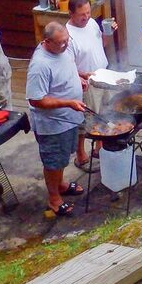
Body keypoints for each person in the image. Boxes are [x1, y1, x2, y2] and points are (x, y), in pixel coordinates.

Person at [26, 22, 87, 218]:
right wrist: (69, 103)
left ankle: (61, 185)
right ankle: (54, 199)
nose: (66, 45)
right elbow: (36, 100)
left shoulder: (62, 48)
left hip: (69, 118)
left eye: (67, 40)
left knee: (63, 156)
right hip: (53, 124)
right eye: (61, 43)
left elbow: (66, 67)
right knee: (53, 161)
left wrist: (80, 77)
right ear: (47, 42)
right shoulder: (40, 65)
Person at [65, 0, 111, 170]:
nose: (86, 17)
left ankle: (99, 148)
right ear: (71, 13)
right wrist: (82, 76)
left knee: (103, 114)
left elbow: (101, 44)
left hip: (103, 75)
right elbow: (66, 67)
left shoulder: (91, 23)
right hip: (86, 83)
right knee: (85, 121)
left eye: (88, 12)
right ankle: (80, 155)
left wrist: (109, 32)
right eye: (82, 14)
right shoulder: (67, 35)